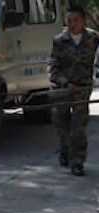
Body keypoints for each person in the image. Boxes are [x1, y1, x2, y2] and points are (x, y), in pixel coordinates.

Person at [49, 6, 99, 176]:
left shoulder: (92, 38)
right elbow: (53, 68)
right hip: (63, 89)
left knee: (79, 127)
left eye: (75, 20)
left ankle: (77, 161)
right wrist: (65, 83)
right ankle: (64, 149)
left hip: (82, 88)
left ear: (83, 21)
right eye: (68, 20)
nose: (71, 24)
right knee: (62, 123)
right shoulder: (59, 40)